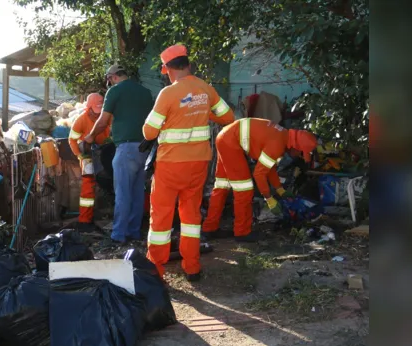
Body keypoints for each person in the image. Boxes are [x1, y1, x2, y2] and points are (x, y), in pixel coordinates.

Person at [142, 44, 235, 282]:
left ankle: (156, 270)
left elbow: (149, 132)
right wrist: (202, 111)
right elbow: (227, 117)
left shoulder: (168, 94)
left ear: (167, 69)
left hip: (171, 165)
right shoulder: (206, 89)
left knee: (161, 217)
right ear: (188, 65)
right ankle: (192, 267)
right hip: (199, 163)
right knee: (191, 216)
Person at [202, 118, 318, 241]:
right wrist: (269, 198)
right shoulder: (278, 143)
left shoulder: (282, 135)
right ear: (296, 146)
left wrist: (279, 189)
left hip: (225, 137)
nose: (298, 156)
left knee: (221, 186)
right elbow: (259, 174)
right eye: (300, 153)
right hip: (230, 142)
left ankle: (209, 229)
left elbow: (269, 167)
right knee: (244, 190)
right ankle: (241, 232)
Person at [85, 64, 154, 244]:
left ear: (113, 77)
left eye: (108, 79)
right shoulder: (146, 92)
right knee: (138, 191)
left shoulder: (115, 91)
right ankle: (134, 232)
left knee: (123, 192)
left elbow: (102, 121)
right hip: (145, 148)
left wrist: (90, 136)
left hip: (126, 148)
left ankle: (118, 235)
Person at [69, 93, 111, 230]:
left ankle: (111, 215)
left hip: (104, 151)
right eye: (95, 110)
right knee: (88, 187)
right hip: (87, 155)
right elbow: (72, 140)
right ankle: (84, 220)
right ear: (88, 108)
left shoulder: (107, 117)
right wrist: (79, 156)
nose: (97, 114)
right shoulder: (81, 119)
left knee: (111, 182)